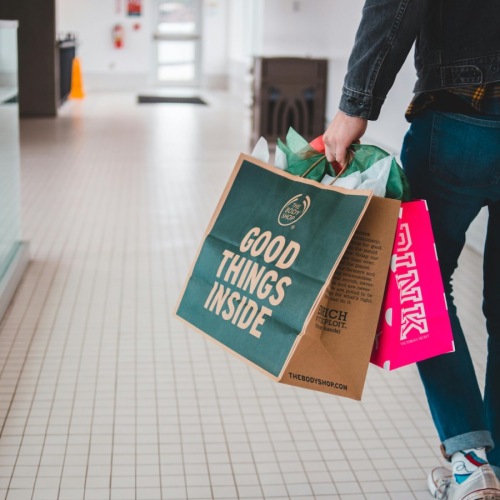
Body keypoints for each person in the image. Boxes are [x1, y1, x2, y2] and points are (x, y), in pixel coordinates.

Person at [322, 1, 500, 499]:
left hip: (460, 116)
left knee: (420, 285)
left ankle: (470, 461)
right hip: (464, 112)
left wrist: (355, 105)